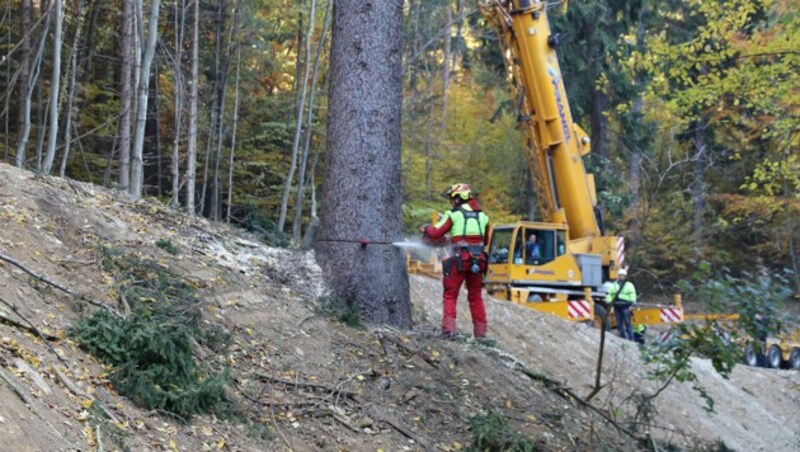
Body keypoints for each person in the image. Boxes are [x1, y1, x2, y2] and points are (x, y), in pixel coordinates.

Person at [421, 183, 490, 339]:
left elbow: (435, 233)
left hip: (460, 260)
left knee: (450, 294)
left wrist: (426, 228)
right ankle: (481, 334)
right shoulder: (483, 217)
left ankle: (449, 331)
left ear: (459, 199)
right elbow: (484, 240)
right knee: (476, 296)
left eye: (452, 198)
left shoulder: (453, 214)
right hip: (478, 261)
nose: (451, 202)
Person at [606, 267, 637, 341]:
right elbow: (609, 294)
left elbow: (632, 295)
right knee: (619, 324)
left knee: (627, 323)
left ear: (625, 276)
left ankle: (631, 339)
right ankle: (623, 339)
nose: (621, 277)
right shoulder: (613, 285)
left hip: (626, 305)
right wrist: (609, 302)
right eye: (620, 275)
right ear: (618, 276)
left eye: (623, 275)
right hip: (617, 305)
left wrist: (632, 304)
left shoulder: (629, 285)